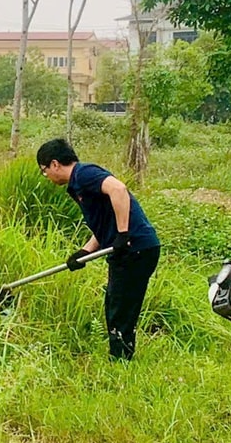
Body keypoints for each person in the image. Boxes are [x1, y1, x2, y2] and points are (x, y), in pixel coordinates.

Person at [36, 138, 162, 361]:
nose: (46, 175)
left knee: (121, 308)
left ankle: (121, 362)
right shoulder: (77, 184)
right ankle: (120, 357)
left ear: (55, 164)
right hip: (128, 249)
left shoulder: (84, 174)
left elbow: (118, 189)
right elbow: (105, 223)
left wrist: (123, 234)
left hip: (136, 248)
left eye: (44, 170)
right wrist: (84, 252)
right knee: (115, 304)